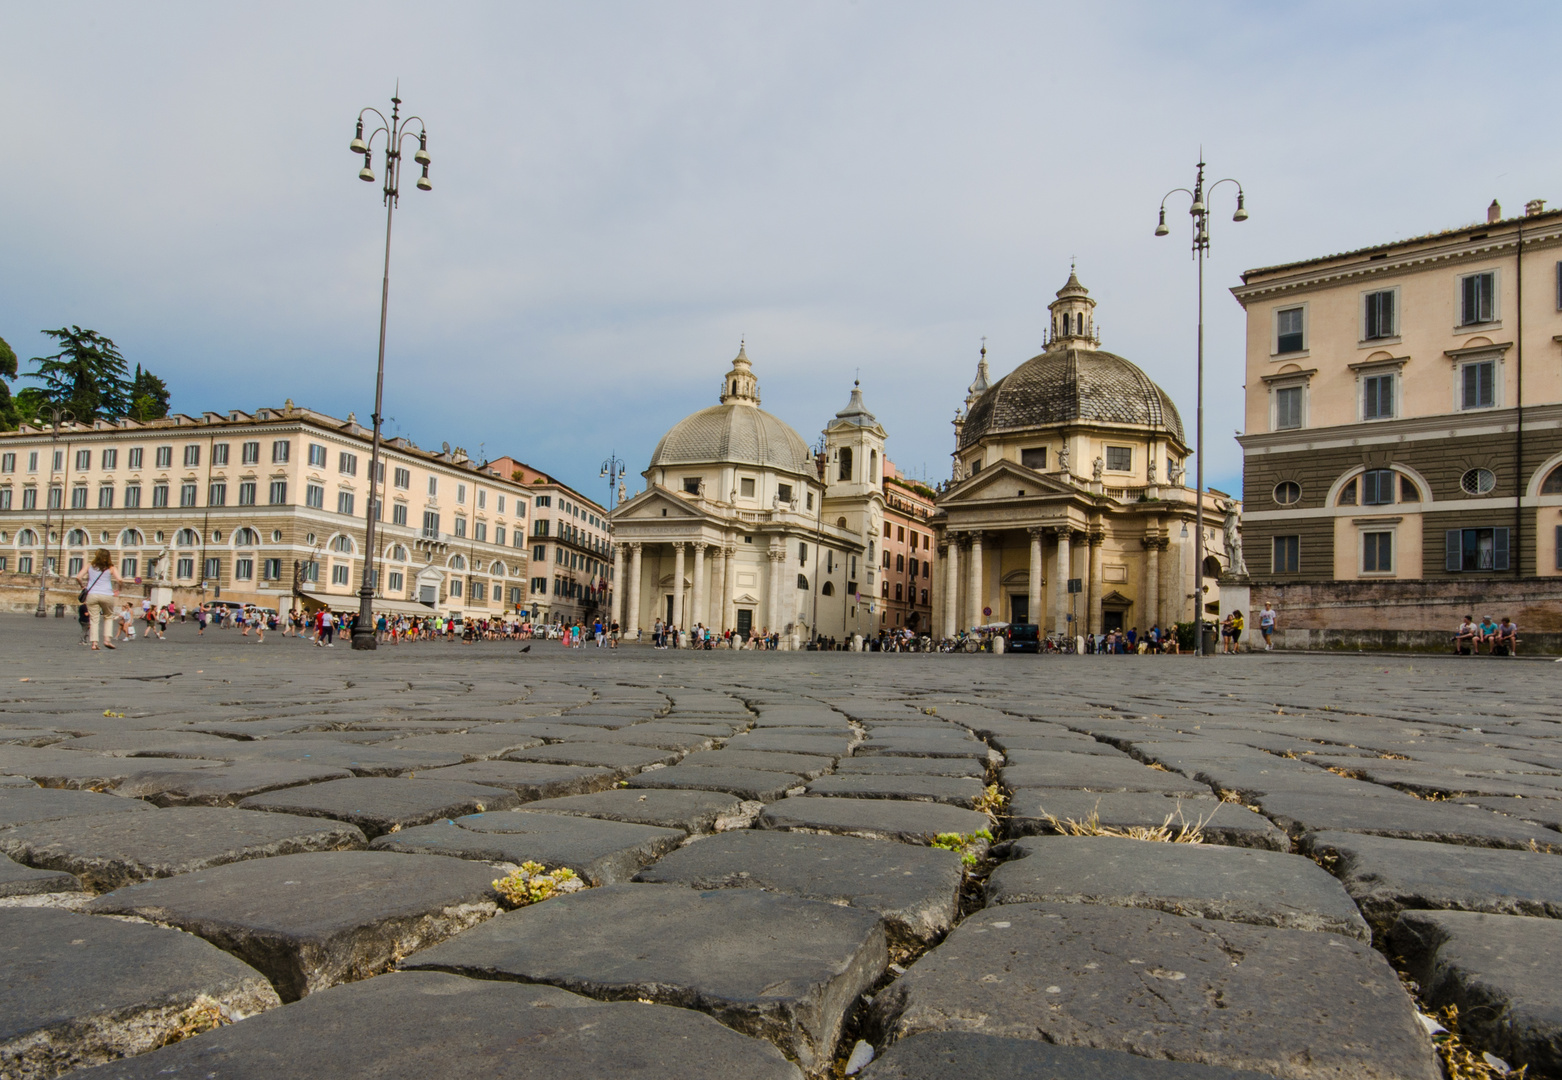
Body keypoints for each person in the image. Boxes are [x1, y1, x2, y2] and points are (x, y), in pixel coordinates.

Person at [77, 550, 122, 651]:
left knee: (94, 619)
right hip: (107, 594)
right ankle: (107, 640)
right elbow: (120, 580)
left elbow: (78, 577)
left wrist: (82, 586)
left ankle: (94, 643)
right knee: (108, 616)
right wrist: (118, 589)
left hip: (92, 594)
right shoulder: (111, 567)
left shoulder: (89, 565)